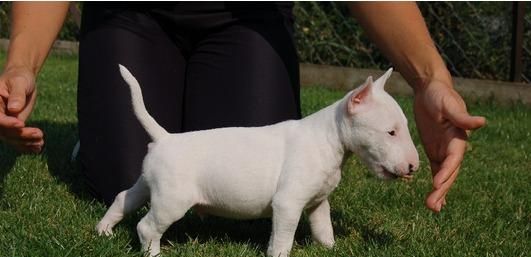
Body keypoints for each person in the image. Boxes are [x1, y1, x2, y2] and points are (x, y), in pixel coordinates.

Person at [0, 2, 485, 213]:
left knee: (254, 184)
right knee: (132, 178)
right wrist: (21, 65)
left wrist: (429, 79)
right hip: (130, 12)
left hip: (248, 17)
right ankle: (98, 139)